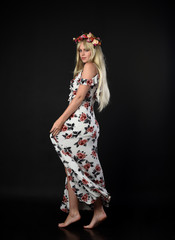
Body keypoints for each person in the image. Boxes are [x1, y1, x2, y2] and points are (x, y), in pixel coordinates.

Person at [49, 32, 111, 229]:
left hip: (81, 124)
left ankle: (98, 210)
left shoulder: (90, 66)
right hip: (81, 123)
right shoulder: (87, 68)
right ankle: (74, 212)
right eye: (80, 50)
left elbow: (79, 98)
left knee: (80, 166)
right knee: (72, 167)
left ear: (94, 51)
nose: (83, 54)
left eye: (86, 50)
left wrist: (60, 120)